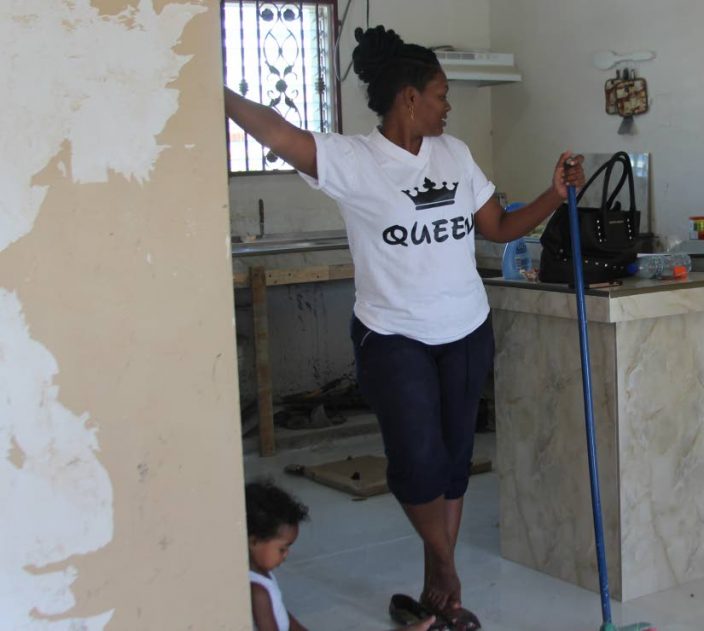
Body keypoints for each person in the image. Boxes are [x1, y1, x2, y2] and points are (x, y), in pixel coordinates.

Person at [226, 25, 585, 629]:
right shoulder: (354, 160)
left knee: (451, 464)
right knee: (416, 463)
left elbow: (497, 227)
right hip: (393, 335)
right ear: (409, 98)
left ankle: (434, 591)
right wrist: (217, 92)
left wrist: (553, 195)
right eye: (442, 94)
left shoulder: (457, 154)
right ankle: (446, 572)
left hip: (466, 328)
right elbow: (277, 131)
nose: (449, 105)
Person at [246, 479, 437, 631]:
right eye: (282, 549)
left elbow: (286, 620)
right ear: (253, 541)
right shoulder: (257, 592)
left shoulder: (262, 576)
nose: (286, 555)